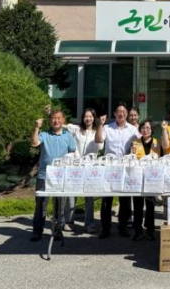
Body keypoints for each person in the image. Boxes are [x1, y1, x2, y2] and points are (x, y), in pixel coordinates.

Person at [30, 109, 76, 242]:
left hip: (61, 176)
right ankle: (37, 231)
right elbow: (34, 143)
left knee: (59, 205)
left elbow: (73, 153)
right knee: (41, 204)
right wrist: (36, 128)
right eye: (54, 118)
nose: (56, 121)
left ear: (63, 120)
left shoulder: (68, 136)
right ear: (50, 120)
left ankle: (57, 231)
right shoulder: (44, 134)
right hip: (44, 175)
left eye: (59, 118)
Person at [100, 102, 138, 239]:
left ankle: (123, 227)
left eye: (124, 112)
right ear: (114, 114)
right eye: (119, 111)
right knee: (107, 200)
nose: (121, 114)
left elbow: (142, 141)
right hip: (109, 168)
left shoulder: (133, 129)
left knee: (125, 200)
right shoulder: (107, 128)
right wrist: (100, 124)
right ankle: (105, 229)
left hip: (125, 168)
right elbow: (98, 140)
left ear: (127, 114)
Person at [63, 108, 105, 234]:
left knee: (89, 197)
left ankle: (89, 223)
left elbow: (100, 143)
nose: (88, 119)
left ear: (94, 118)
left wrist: (100, 125)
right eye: (86, 116)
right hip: (75, 166)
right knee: (71, 194)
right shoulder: (76, 129)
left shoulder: (98, 131)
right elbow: (62, 125)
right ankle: (69, 221)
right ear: (82, 118)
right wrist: (50, 114)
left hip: (90, 168)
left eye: (91, 116)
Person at [130, 119, 160, 241]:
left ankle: (150, 230)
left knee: (150, 205)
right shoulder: (135, 142)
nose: (145, 130)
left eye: (148, 128)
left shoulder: (157, 143)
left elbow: (160, 159)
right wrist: (132, 154)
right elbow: (131, 160)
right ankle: (138, 230)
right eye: (143, 127)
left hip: (152, 178)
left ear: (152, 130)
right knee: (137, 206)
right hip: (138, 178)